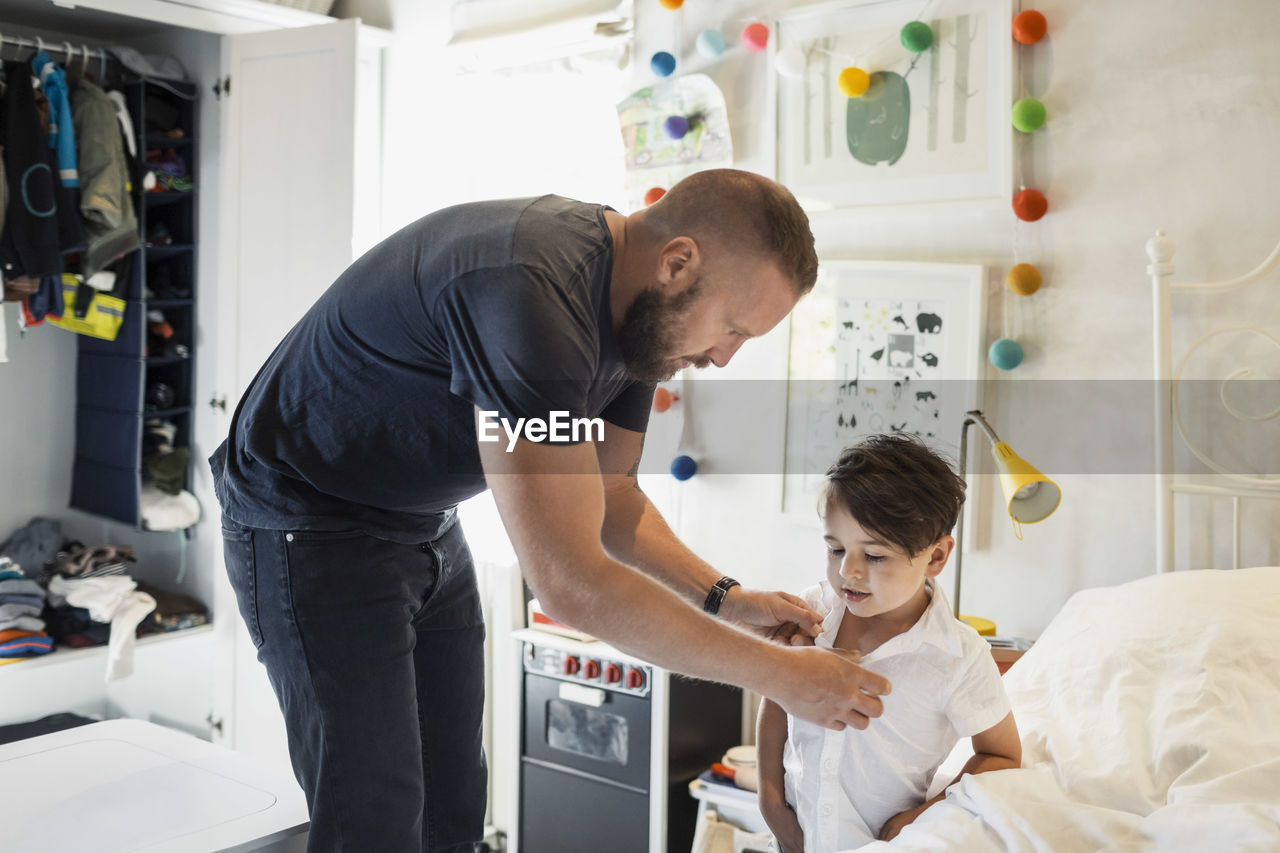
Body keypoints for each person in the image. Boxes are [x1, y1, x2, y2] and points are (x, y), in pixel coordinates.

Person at [210, 168, 893, 852]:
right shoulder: (529, 293)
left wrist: (728, 597)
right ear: (678, 262)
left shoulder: (640, 325)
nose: (721, 356)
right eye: (732, 328)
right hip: (310, 520)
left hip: (422, 520)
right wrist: (777, 674)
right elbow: (572, 583)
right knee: (375, 815)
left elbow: (614, 496)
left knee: (453, 805)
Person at [756, 434, 1022, 852]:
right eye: (835, 548)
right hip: (792, 840)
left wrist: (923, 816)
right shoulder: (811, 614)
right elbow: (776, 696)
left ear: (935, 557)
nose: (849, 572)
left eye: (875, 556)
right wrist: (771, 802)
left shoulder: (958, 655)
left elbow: (1002, 755)